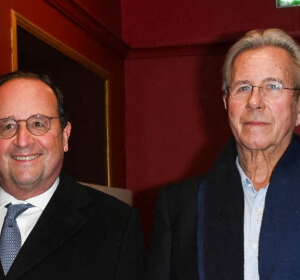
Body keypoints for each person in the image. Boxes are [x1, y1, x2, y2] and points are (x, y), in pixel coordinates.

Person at [147, 28, 300, 280]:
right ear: (227, 103)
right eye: (242, 87)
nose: (254, 101)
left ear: (297, 107)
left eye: (272, 86)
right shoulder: (180, 206)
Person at [0, 71, 146, 279]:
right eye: (7, 126)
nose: (22, 141)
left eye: (38, 124)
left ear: (65, 136)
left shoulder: (116, 224)